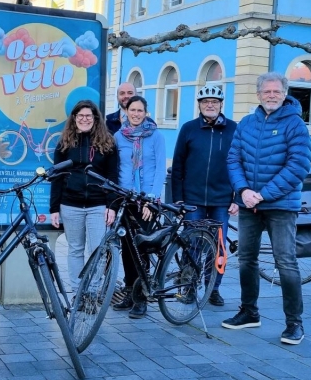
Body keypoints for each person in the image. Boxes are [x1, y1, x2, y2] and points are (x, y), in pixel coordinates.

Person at [223, 72, 311, 345]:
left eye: (276, 91)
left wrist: (262, 194)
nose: (271, 95)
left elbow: (298, 166)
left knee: (286, 262)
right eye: (266, 91)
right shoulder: (247, 123)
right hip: (249, 203)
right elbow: (233, 159)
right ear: (258, 94)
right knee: (246, 259)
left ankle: (294, 324)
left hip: (281, 206)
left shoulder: (296, 125)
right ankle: (249, 312)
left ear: (284, 94)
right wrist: (243, 191)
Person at [171, 85, 238, 307]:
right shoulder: (189, 128)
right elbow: (178, 165)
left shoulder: (233, 130)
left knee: (218, 248)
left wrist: (237, 197)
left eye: (215, 102)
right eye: (205, 101)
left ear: (221, 105)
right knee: (193, 245)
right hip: (193, 199)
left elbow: (242, 165)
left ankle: (213, 288)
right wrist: (178, 199)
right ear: (199, 104)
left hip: (222, 199)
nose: (210, 105)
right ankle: (189, 288)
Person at [49, 100, 118, 295]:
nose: (84, 119)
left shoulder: (108, 142)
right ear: (74, 119)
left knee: (98, 250)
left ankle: (93, 292)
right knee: (76, 249)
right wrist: (54, 208)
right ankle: (78, 291)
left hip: (98, 205)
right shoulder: (65, 143)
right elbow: (57, 175)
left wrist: (111, 205)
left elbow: (113, 176)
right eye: (80, 116)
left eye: (88, 116)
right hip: (70, 204)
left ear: (95, 118)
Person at [112, 95, 166, 318]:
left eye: (140, 110)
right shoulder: (118, 136)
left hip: (148, 200)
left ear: (146, 112)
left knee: (143, 248)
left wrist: (151, 201)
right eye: (132, 110)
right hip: (127, 199)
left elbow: (161, 169)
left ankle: (142, 297)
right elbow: (116, 169)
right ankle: (129, 292)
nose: (136, 114)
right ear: (125, 112)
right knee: (127, 249)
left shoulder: (156, 136)